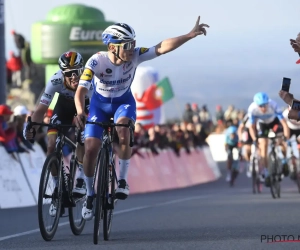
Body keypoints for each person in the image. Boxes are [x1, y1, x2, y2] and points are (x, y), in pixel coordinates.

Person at [74, 17, 209, 220]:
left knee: (123, 130)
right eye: (128, 45)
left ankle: (122, 181)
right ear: (112, 47)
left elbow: (162, 47)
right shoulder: (96, 60)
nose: (132, 48)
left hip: (123, 104)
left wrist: (189, 35)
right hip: (98, 106)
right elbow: (80, 91)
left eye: (134, 43)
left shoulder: (136, 56)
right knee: (91, 149)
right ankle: (90, 195)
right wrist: (79, 112)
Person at [23, 51, 93, 216]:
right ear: (63, 73)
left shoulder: (90, 80)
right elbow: (41, 109)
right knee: (51, 146)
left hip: (85, 105)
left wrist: (84, 119)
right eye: (69, 73)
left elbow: (95, 108)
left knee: (83, 135)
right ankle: (56, 190)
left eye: (78, 71)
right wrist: (32, 126)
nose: (75, 76)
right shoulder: (55, 80)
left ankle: (81, 179)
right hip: (63, 106)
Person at [247, 92, 289, 186]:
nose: (263, 108)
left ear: (268, 103)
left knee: (280, 140)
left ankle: (284, 161)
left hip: (274, 122)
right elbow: (251, 127)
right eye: (260, 106)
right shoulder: (252, 109)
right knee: (263, 145)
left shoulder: (273, 105)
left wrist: (285, 137)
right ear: (256, 105)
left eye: (265, 105)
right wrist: (254, 139)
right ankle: (266, 172)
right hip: (263, 125)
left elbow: (284, 124)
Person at [237, 113, 253, 178]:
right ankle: (249, 163)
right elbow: (240, 128)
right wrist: (241, 139)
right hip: (248, 133)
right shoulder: (248, 116)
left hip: (257, 130)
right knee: (247, 149)